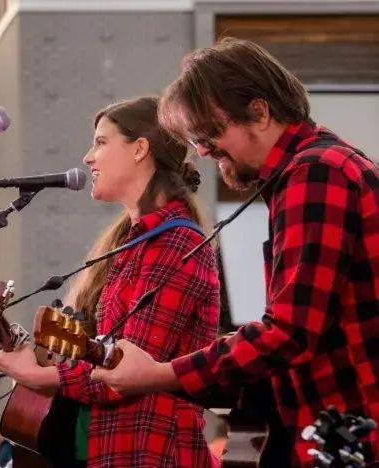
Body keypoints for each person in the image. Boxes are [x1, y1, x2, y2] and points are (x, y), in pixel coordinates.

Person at [90, 38, 379, 466]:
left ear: (259, 112)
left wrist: (160, 375)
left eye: (209, 132)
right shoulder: (319, 168)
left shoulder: (315, 174)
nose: (202, 150)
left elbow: (291, 332)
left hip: (353, 441)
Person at [0, 96, 221, 467]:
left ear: (139, 149)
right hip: (111, 449)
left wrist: (41, 375)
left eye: (100, 142)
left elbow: (128, 373)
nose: (87, 157)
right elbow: (102, 354)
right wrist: (38, 363)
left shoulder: (176, 244)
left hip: (151, 452)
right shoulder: (132, 243)